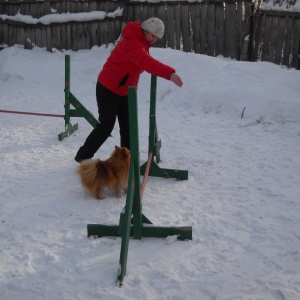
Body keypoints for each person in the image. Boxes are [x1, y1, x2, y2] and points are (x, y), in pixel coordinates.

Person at [74, 17, 183, 163]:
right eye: (153, 36)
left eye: (157, 38)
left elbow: (134, 69)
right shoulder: (132, 44)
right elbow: (147, 62)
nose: (154, 40)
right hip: (108, 88)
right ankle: (83, 157)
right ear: (146, 30)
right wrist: (170, 74)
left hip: (124, 91)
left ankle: (126, 161)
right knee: (106, 126)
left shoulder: (142, 43)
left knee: (128, 126)